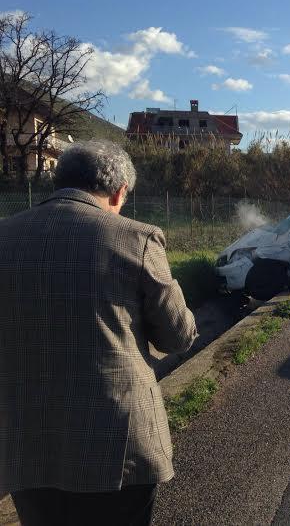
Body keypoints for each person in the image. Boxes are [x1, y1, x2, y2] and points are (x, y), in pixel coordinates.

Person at [0, 140, 198, 526]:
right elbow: (178, 337)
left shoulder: (5, 236)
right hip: (116, 444)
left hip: (26, 442)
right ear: (119, 190)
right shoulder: (136, 238)